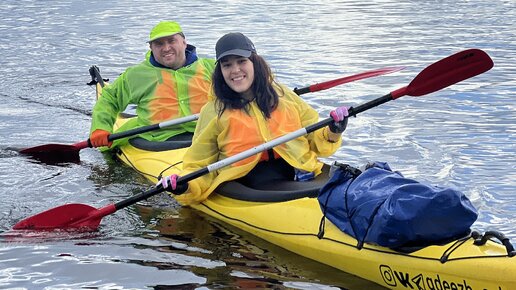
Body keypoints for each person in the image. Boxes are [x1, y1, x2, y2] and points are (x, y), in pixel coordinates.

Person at [159, 32, 349, 205]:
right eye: (227, 65)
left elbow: (316, 142)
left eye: (241, 61)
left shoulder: (284, 95)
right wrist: (185, 186)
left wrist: (333, 131)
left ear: (255, 63)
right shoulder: (214, 110)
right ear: (220, 71)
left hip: (303, 175)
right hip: (250, 184)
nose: (235, 70)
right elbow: (198, 164)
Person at [89, 21, 216, 148]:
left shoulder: (212, 68)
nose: (166, 48)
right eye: (159, 44)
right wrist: (101, 127)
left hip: (207, 133)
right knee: (107, 150)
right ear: (151, 48)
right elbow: (109, 99)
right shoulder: (137, 75)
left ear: (184, 42)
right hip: (156, 138)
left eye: (171, 41)